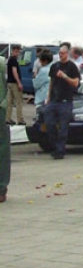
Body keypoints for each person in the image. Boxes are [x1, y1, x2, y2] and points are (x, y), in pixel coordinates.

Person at [44, 42, 80, 159]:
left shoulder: (72, 67)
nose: (61, 55)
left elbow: (76, 83)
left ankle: (60, 151)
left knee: (63, 128)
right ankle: (55, 146)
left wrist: (65, 76)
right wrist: (48, 97)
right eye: (59, 53)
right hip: (54, 100)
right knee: (49, 123)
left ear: (67, 54)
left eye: (63, 53)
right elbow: (52, 82)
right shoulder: (54, 66)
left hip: (66, 101)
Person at [6, 45, 26, 126]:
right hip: (14, 83)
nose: (17, 53)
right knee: (19, 102)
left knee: (10, 102)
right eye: (16, 51)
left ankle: (8, 119)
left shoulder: (9, 59)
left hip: (9, 83)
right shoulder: (14, 60)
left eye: (18, 52)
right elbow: (14, 71)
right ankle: (20, 119)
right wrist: (19, 83)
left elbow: (8, 71)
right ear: (13, 51)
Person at [0, 52, 10, 203]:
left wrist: (3, 105)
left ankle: (1, 188)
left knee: (2, 150)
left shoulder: (2, 63)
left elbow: (11, 86)